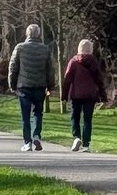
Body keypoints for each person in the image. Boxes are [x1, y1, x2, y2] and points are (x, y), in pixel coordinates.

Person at [7, 23, 56, 151]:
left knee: (25, 115)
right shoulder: (45, 49)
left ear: (27, 34)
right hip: (40, 86)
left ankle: (27, 142)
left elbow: (13, 67)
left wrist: (12, 85)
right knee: (38, 113)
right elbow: (50, 69)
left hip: (24, 86)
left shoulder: (20, 48)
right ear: (38, 34)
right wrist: (51, 86)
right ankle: (36, 135)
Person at [61, 36, 108, 151]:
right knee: (87, 119)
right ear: (90, 49)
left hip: (76, 94)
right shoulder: (94, 62)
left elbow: (67, 79)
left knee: (75, 117)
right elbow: (99, 80)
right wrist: (103, 96)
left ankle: (77, 137)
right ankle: (86, 144)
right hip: (90, 95)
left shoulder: (73, 62)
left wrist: (64, 96)